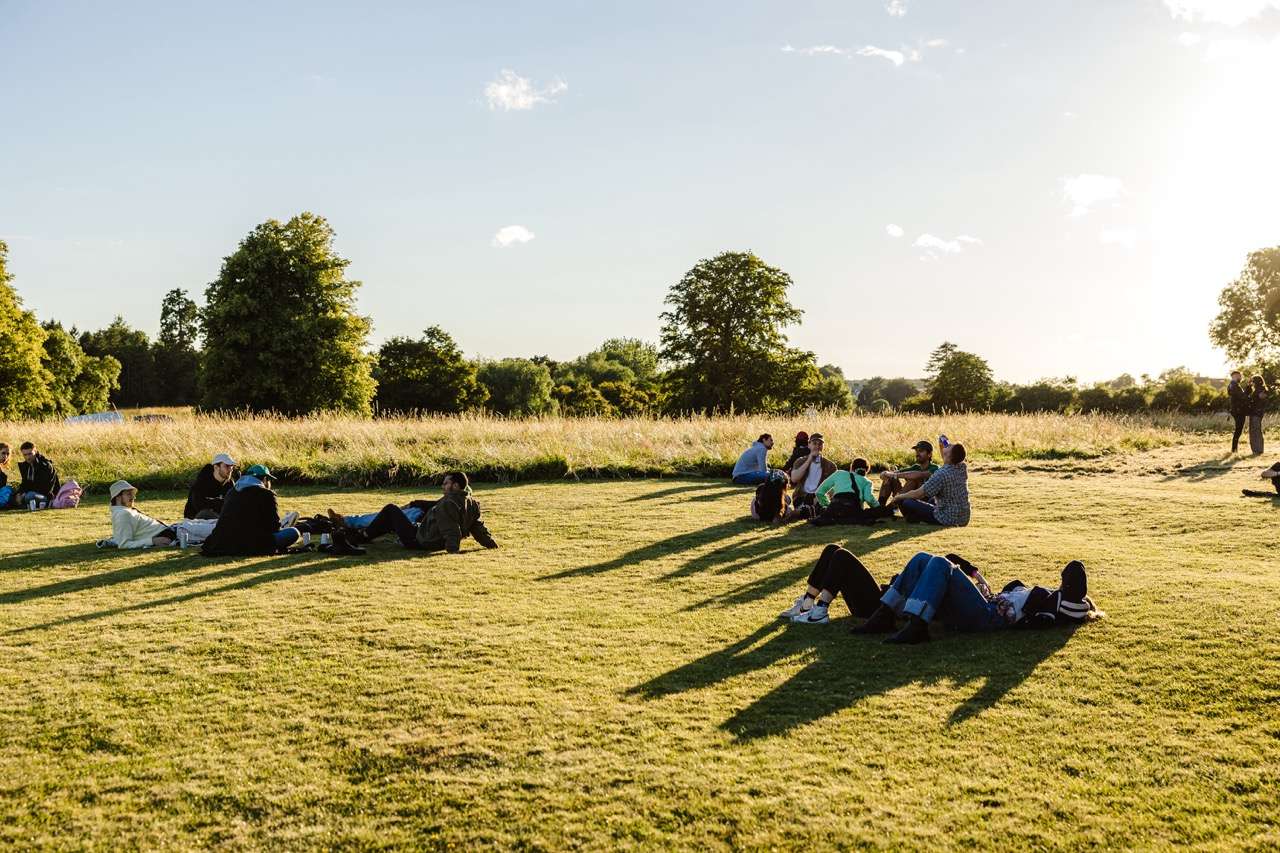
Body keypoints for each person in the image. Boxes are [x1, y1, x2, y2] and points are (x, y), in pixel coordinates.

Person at [851, 552, 1100, 644]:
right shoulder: (1054, 596)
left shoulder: (1065, 603)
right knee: (922, 558)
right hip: (987, 605)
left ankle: (917, 625)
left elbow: (1075, 609)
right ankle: (884, 614)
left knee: (940, 563)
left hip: (989, 617)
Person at [332, 471, 497, 553]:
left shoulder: (448, 503)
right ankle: (361, 536)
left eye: (446, 483)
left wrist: (452, 549)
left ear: (455, 486)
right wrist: (489, 543)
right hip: (425, 534)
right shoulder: (472, 503)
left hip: (421, 541)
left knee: (391, 510)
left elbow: (450, 528)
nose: (443, 486)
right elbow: (477, 527)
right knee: (393, 519)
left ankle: (361, 537)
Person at [201, 464, 305, 556]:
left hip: (221, 543)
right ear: (264, 479)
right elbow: (274, 527)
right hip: (251, 544)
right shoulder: (267, 494)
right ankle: (286, 524)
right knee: (293, 532)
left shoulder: (232, 492)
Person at [778, 544, 885, 624]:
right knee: (831, 549)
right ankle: (806, 603)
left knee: (842, 556)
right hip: (881, 600)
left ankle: (819, 612)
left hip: (878, 608)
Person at [891, 442, 970, 527]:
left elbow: (918, 494)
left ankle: (913, 518)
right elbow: (950, 458)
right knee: (931, 500)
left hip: (946, 518)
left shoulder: (940, 474)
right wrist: (942, 444)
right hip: (963, 518)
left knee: (907, 502)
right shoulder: (962, 467)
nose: (948, 444)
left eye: (949, 446)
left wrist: (899, 496)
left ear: (948, 455)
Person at [99, 480, 177, 549]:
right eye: (129, 494)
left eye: (133, 494)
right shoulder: (123, 514)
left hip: (170, 530)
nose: (134, 497)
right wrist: (152, 541)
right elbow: (124, 544)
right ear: (118, 497)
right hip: (166, 536)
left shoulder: (123, 511)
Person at [809, 458, 888, 526]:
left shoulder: (839, 473)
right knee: (870, 513)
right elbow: (869, 499)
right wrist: (878, 508)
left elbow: (819, 492)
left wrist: (827, 505)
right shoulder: (867, 481)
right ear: (866, 471)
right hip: (853, 510)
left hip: (834, 508)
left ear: (851, 468)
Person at [782, 433, 837, 521]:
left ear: (823, 446)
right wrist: (809, 460)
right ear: (809, 445)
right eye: (814, 443)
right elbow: (794, 479)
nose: (817, 446)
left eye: (820, 444)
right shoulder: (800, 461)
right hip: (801, 496)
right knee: (817, 506)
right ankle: (812, 511)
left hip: (819, 497)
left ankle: (802, 512)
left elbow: (834, 487)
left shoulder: (830, 465)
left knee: (818, 502)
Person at [878, 440, 940, 506]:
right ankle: (880, 505)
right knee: (890, 478)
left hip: (924, 502)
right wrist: (885, 474)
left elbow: (917, 475)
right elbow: (891, 473)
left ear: (929, 454)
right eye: (916, 451)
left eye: (921, 451)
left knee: (913, 480)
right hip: (908, 498)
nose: (917, 454)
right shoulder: (915, 467)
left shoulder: (935, 468)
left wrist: (894, 475)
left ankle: (891, 506)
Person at [183, 453, 237, 519]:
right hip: (195, 519)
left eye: (232, 467)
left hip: (217, 517)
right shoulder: (202, 482)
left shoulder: (230, 483)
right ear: (216, 467)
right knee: (205, 513)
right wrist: (220, 502)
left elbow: (233, 502)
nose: (230, 470)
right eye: (227, 466)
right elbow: (199, 505)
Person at [16, 441, 60, 508]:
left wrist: (24, 494)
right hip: (31, 493)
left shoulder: (45, 465)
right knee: (13, 496)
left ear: (35, 452)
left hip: (46, 496)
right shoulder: (25, 466)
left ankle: (47, 504)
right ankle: (24, 504)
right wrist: (19, 493)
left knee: (29, 496)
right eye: (25, 455)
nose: (28, 457)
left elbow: (46, 489)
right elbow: (24, 483)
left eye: (30, 454)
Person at [1228, 371, 1248, 454]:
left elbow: (1241, 396)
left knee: (1238, 430)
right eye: (1240, 376)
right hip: (1238, 411)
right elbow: (1242, 397)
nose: (1241, 378)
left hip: (1237, 410)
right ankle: (1234, 450)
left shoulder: (1233, 385)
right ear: (1235, 376)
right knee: (1238, 430)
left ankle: (1234, 449)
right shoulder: (1234, 385)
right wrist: (1249, 388)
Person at [1248, 375, 1268, 455]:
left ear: (1256, 381)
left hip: (1256, 413)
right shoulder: (1259, 389)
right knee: (1255, 431)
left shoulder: (1261, 389)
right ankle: (1257, 450)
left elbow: (1260, 400)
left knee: (1255, 431)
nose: (1252, 383)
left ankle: (1258, 450)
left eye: (1253, 381)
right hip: (1256, 413)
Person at [0, 443, 13, 508]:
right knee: (7, 489)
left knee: (8, 489)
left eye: (7, 454)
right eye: (3, 453)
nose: (5, 456)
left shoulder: (2, 473)